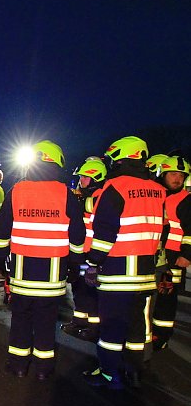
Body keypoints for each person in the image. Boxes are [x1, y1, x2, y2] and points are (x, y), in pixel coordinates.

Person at [0, 141, 85, 380]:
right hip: (52, 276)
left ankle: (18, 366)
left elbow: (1, 229)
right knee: (46, 321)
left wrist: (0, 258)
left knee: (21, 319)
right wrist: (75, 263)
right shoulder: (65, 193)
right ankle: (44, 369)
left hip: (22, 274)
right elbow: (78, 234)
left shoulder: (17, 190)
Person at [83, 136, 165, 389]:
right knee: (136, 327)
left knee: (111, 327)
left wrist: (93, 262)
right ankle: (134, 371)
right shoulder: (157, 190)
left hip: (118, 272)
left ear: (120, 159)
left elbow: (105, 231)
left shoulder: (116, 187)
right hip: (145, 272)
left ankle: (109, 373)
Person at [62, 156, 107, 341]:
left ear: (96, 178)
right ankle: (79, 322)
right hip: (83, 253)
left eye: (85, 177)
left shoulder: (99, 197)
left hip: (92, 254)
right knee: (80, 289)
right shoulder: (89, 196)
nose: (81, 180)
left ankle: (94, 329)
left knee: (91, 292)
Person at [152, 156, 191, 350]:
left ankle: (161, 336)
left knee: (166, 297)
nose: (177, 179)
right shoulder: (159, 194)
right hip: (159, 255)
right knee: (155, 295)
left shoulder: (186, 200)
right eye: (173, 174)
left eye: (181, 176)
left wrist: (187, 254)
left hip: (175, 258)